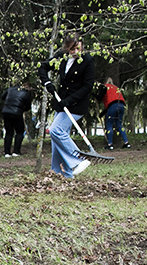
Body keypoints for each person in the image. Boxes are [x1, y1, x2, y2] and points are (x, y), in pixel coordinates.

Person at [38, 32, 95, 178]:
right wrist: (47, 83)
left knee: (56, 131)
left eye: (78, 49)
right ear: (66, 48)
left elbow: (87, 87)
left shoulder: (87, 61)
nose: (75, 52)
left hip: (76, 105)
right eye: (71, 49)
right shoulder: (62, 58)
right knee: (56, 138)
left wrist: (68, 101)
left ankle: (77, 160)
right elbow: (42, 67)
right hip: (61, 105)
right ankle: (61, 173)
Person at [0, 81, 33, 157]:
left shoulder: (11, 89)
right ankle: (16, 151)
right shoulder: (26, 94)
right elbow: (28, 107)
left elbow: (2, 97)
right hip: (17, 113)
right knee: (19, 132)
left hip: (6, 112)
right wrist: (22, 109)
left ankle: (7, 152)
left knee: (8, 132)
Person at [97, 77, 130, 150]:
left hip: (112, 106)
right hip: (121, 105)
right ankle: (126, 142)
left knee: (109, 125)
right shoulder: (116, 88)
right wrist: (103, 113)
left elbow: (100, 98)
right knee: (119, 125)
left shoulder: (105, 87)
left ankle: (110, 144)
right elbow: (113, 102)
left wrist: (94, 95)